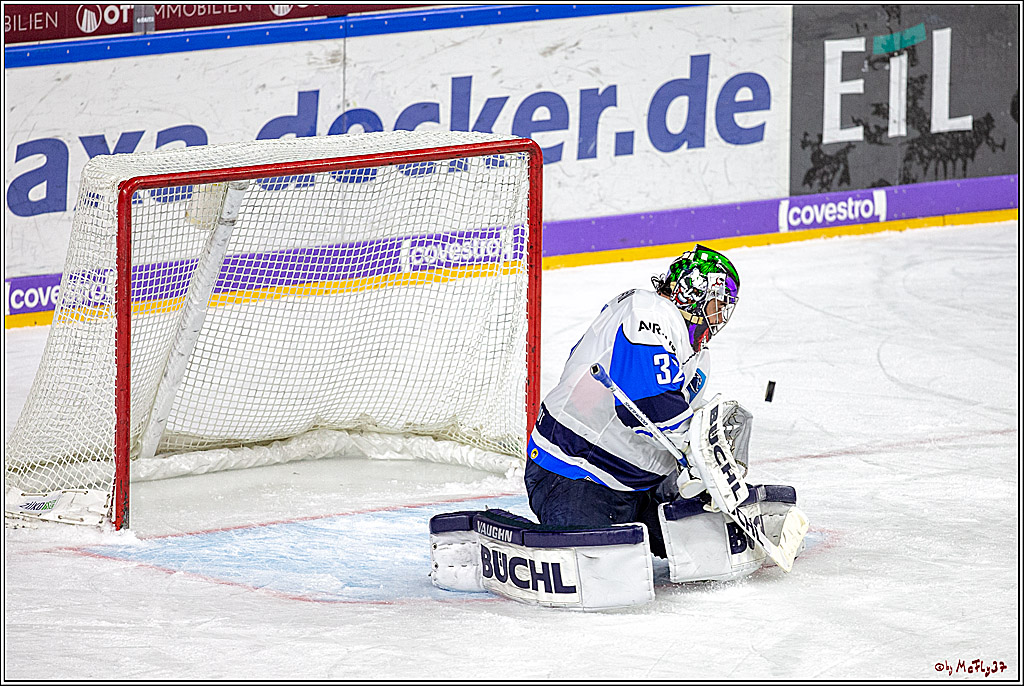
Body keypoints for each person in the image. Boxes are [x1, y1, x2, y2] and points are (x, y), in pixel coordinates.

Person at [524, 244, 741, 557]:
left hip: (640, 490)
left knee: (713, 545)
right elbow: (647, 406)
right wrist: (701, 455)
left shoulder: (698, 358)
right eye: (716, 304)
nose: (719, 316)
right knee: (596, 565)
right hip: (576, 473)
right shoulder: (647, 314)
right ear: (692, 293)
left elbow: (683, 430)